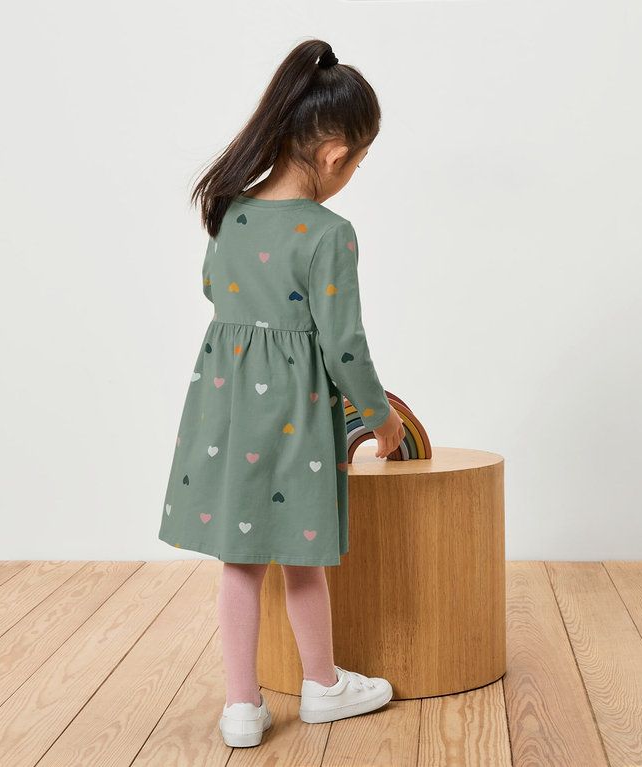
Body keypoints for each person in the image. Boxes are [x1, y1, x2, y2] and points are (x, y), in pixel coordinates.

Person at [157, 38, 406, 748]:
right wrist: (380, 418)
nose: (353, 173)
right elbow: (344, 343)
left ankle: (242, 707)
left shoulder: (230, 212)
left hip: (230, 411)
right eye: (358, 161)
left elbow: (214, 289)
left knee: (239, 563)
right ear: (335, 155)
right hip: (296, 415)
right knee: (302, 557)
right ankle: (323, 685)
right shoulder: (330, 234)